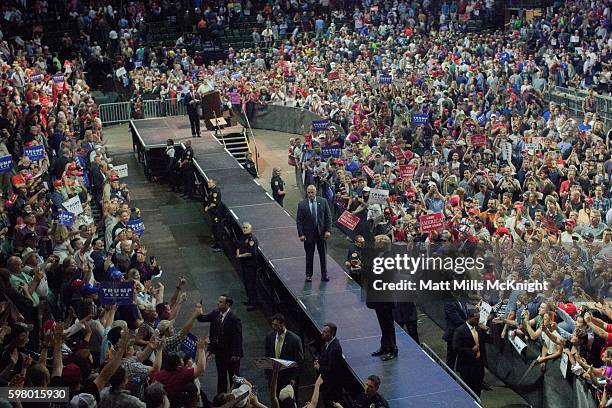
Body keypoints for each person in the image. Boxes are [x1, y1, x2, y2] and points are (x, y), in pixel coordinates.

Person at [197, 294, 243, 394]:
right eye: (218, 301)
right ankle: (221, 398)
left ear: (227, 304)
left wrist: (237, 354)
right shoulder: (215, 313)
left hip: (231, 355)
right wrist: (198, 311)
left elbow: (238, 338)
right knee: (221, 377)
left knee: (234, 378)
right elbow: (202, 319)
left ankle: (236, 398)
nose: (217, 303)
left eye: (221, 302)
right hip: (220, 353)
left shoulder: (234, 319)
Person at [366, 235, 398, 361]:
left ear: (382, 244)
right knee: (382, 324)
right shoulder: (380, 255)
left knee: (388, 324)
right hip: (378, 296)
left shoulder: (389, 258)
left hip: (385, 297)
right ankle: (384, 346)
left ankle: (393, 349)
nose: (374, 243)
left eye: (376, 242)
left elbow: (388, 277)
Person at [296, 184, 332, 282]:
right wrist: (301, 234)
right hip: (308, 235)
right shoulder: (302, 204)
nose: (310, 194)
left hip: (321, 234)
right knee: (309, 255)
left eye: (312, 192)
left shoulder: (323, 202)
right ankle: (308, 275)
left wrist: (328, 230)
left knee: (323, 255)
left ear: (316, 192)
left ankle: (324, 274)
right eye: (309, 193)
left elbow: (328, 217)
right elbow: (299, 221)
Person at [452, 307, 490, 397]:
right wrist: (471, 350)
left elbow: (489, 340)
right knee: (468, 390)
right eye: (476, 319)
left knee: (478, 389)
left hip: (479, 365)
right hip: (466, 366)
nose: (478, 321)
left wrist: (487, 330)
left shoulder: (479, 329)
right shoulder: (460, 331)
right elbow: (456, 348)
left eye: (479, 318)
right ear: (470, 317)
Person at [264, 314, 303, 395]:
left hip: (287, 378)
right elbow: (267, 355)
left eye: (276, 325)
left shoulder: (295, 340)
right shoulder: (270, 336)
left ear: (282, 324)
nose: (273, 327)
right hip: (273, 377)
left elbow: (299, 361)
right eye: (272, 324)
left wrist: (294, 378)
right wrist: (268, 374)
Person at [315, 322, 343, 407]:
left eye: (325, 332)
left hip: (332, 387)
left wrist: (319, 368)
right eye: (323, 331)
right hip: (327, 384)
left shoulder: (335, 348)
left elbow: (331, 369)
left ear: (332, 334)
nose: (322, 333)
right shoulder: (327, 343)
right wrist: (318, 361)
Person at [236, 222, 259, 311]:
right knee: (246, 283)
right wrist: (238, 254)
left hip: (250, 265)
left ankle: (254, 303)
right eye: (243, 227)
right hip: (244, 264)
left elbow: (251, 253)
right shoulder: (242, 237)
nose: (244, 229)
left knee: (251, 284)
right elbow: (238, 246)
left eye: (246, 228)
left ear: (250, 229)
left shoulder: (252, 240)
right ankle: (250, 299)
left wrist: (240, 256)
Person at [443, 297, 469, 370]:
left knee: (462, 354)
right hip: (453, 335)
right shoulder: (449, 303)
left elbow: (465, 314)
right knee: (451, 357)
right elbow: (456, 320)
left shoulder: (462, 300)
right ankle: (449, 374)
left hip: (462, 333)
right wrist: (469, 323)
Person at [204, 179, 223, 252]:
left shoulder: (216, 192)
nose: (208, 183)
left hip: (216, 214)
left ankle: (220, 246)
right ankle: (216, 244)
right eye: (208, 182)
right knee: (214, 229)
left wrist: (207, 208)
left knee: (218, 230)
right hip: (213, 213)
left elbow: (214, 203)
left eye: (209, 182)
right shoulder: (212, 190)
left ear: (214, 183)